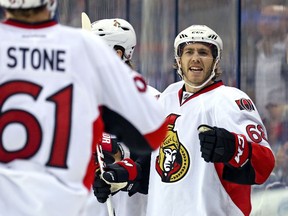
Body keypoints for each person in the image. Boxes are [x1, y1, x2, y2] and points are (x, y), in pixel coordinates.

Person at [0, 1, 168, 216]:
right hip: (70, 200)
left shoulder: (152, 96)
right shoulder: (81, 51)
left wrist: (119, 156)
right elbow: (151, 133)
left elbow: (156, 155)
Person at [93, 25, 275, 216]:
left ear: (216, 61)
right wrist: (123, 175)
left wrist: (232, 146)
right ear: (179, 60)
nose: (195, 58)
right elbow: (157, 165)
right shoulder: (167, 98)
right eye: (189, 51)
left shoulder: (230, 100)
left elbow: (264, 165)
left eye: (203, 52)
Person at [83, 17, 160, 216]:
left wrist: (120, 155)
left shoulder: (150, 100)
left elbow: (158, 164)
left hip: (132, 208)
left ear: (117, 54)